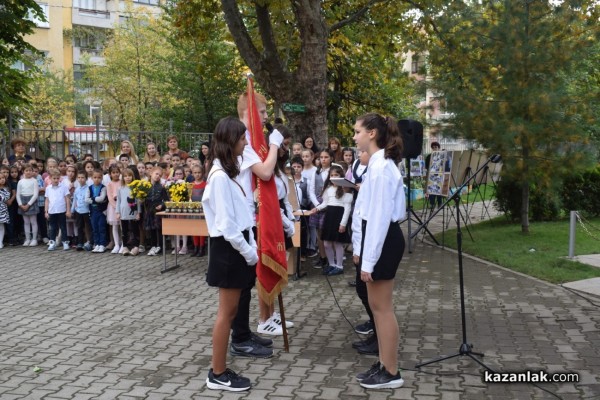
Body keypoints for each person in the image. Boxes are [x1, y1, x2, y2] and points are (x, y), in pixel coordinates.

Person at [203, 116, 258, 392]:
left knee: (232, 310)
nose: (245, 142)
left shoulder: (225, 174)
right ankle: (217, 373)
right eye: (242, 138)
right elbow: (226, 225)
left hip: (234, 248)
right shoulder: (219, 177)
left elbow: (240, 216)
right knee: (226, 314)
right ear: (230, 141)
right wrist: (249, 252)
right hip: (229, 250)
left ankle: (220, 368)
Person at [228, 90, 284, 359]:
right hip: (240, 218)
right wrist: (275, 145)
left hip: (248, 215)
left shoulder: (249, 139)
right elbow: (265, 171)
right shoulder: (243, 140)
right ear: (249, 111)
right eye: (262, 112)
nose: (265, 117)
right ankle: (239, 338)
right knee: (241, 282)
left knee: (247, 281)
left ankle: (244, 332)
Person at [351, 113, 406, 389]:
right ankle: (384, 363)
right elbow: (366, 213)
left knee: (382, 309)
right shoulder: (376, 164)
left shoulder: (382, 167)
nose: (354, 136)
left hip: (384, 239)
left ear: (372, 133)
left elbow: (380, 217)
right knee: (376, 307)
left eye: (357, 131)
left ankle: (392, 371)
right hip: (378, 238)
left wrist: (368, 261)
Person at [310, 165, 353, 276]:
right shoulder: (328, 189)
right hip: (329, 218)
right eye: (332, 175)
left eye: (336, 175)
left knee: (337, 243)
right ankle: (331, 264)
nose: (334, 177)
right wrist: (317, 208)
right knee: (327, 244)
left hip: (339, 218)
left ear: (341, 176)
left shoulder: (345, 189)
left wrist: (343, 224)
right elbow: (325, 203)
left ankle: (339, 266)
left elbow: (347, 209)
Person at [308, 149, 334, 268]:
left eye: (326, 157)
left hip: (331, 203)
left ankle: (332, 259)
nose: (323, 159)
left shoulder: (334, 171)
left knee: (328, 232)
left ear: (331, 158)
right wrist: (317, 204)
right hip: (318, 204)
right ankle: (322, 257)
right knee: (319, 232)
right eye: (321, 157)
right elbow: (311, 190)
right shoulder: (316, 172)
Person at [116, 168, 142, 256]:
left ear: (132, 177)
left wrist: (138, 212)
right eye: (125, 176)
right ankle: (125, 246)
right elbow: (118, 201)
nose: (127, 178)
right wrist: (117, 212)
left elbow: (137, 201)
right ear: (122, 177)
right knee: (124, 230)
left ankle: (135, 247)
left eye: (129, 176)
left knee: (134, 230)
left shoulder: (135, 188)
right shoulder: (120, 188)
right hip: (123, 212)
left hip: (133, 212)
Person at [144, 166, 168, 256]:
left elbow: (166, 200)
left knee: (159, 229)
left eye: (160, 175)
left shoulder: (161, 188)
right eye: (156, 174)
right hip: (149, 210)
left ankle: (160, 246)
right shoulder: (146, 186)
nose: (158, 176)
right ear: (151, 173)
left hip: (158, 212)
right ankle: (153, 245)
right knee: (151, 229)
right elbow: (142, 198)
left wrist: (161, 205)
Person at [45, 171, 72, 251]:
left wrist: (68, 210)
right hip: (52, 211)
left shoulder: (63, 187)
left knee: (63, 227)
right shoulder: (48, 188)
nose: (56, 180)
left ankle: (65, 242)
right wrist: (46, 211)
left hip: (61, 210)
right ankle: (52, 242)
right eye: (54, 178)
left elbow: (67, 199)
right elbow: (47, 200)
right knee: (52, 227)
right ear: (50, 178)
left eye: (57, 178)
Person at [17, 164, 40, 246]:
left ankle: (34, 239)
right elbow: (18, 194)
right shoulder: (20, 182)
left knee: (33, 221)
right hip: (22, 202)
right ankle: (27, 239)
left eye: (30, 170)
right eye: (26, 170)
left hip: (31, 202)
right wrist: (20, 204)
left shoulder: (34, 181)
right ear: (23, 171)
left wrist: (28, 204)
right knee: (26, 222)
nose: (28, 172)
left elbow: (35, 194)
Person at [71, 170, 92, 251]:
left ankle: (89, 242)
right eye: (79, 178)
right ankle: (80, 243)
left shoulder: (88, 188)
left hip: (86, 211)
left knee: (88, 227)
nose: (80, 179)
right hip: (78, 211)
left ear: (86, 178)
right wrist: (72, 210)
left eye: (82, 177)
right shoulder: (77, 189)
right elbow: (75, 200)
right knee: (79, 227)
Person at [88, 169, 108, 253]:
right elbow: (86, 199)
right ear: (92, 178)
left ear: (102, 178)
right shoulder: (89, 188)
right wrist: (96, 199)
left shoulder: (103, 188)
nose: (97, 179)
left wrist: (92, 199)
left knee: (101, 227)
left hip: (101, 211)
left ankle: (102, 244)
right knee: (95, 228)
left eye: (99, 177)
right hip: (93, 211)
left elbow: (102, 198)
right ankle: (96, 244)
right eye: (95, 177)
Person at [190, 164, 207, 257]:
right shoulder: (191, 185)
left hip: (202, 209)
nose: (197, 174)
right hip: (193, 209)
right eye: (195, 173)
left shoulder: (205, 184)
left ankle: (202, 247)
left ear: (203, 173)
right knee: (194, 228)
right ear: (192, 173)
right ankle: (196, 247)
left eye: (199, 172)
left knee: (201, 228)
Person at [106, 165, 123, 254]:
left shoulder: (122, 182)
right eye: (113, 173)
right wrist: (116, 207)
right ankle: (116, 244)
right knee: (115, 226)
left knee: (122, 226)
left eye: (117, 172)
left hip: (122, 206)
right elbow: (109, 196)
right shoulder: (109, 184)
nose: (116, 174)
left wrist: (120, 207)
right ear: (110, 174)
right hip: (113, 207)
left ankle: (123, 244)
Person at [425, 141, 443, 209]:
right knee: (431, 190)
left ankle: (440, 203)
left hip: (439, 175)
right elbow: (426, 166)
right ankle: (432, 204)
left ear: (438, 148)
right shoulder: (429, 156)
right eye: (433, 147)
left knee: (439, 189)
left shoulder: (441, 156)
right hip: (431, 176)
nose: (434, 148)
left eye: (436, 147)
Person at [0, 173, 10, 248]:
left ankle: (0, 242)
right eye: (0, 178)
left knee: (1, 226)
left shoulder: (6, 189)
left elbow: (5, 198)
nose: (2, 180)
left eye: (3, 178)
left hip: (2, 210)